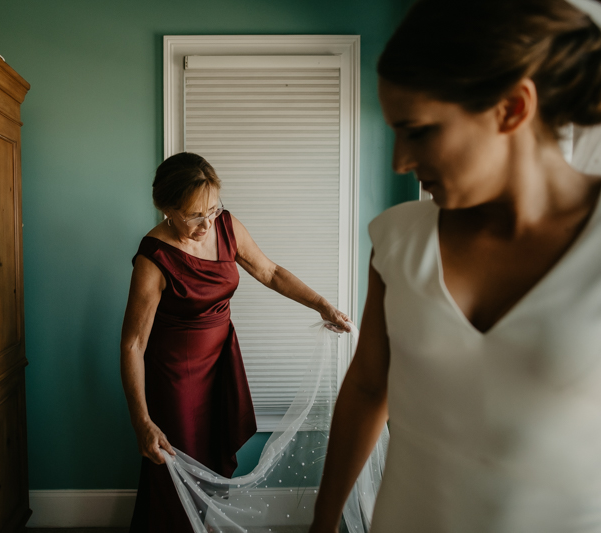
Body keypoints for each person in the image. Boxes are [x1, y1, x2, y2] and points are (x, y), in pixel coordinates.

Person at [310, 0, 601, 531]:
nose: (400, 159)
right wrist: (323, 520)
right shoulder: (395, 242)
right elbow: (370, 387)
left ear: (511, 108)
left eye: (418, 131)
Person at [121, 152, 351, 533]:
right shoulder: (154, 258)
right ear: (166, 209)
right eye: (194, 215)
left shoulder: (226, 226)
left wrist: (322, 305)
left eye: (212, 209)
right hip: (175, 377)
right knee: (172, 467)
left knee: (210, 464)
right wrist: (141, 421)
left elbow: (271, 272)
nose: (206, 223)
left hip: (221, 362)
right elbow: (132, 345)